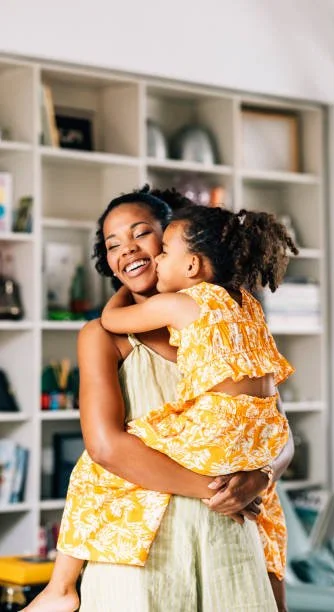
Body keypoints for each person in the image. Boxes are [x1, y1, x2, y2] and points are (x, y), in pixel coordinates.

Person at [24, 187, 294, 612]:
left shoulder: (223, 319)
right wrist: (222, 490)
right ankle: (60, 589)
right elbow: (106, 448)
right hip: (139, 552)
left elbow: (278, 433)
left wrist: (260, 478)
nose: (127, 250)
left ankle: (58, 588)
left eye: (142, 234)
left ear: (171, 243)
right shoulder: (102, 335)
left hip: (229, 544)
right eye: (113, 245)